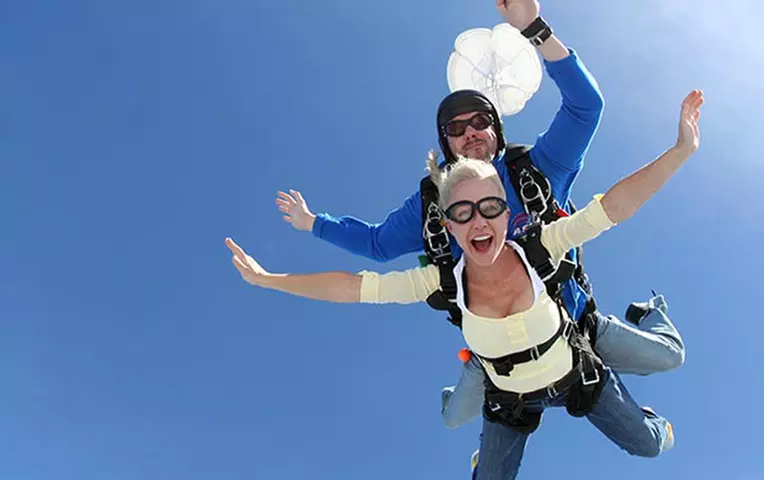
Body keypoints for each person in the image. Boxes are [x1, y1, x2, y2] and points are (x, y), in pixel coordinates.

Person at [231, 90, 704, 478]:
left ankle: (652, 313)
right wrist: (272, 275)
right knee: (452, 416)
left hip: (577, 361)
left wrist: (681, 149)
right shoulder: (440, 279)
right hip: (506, 392)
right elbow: (352, 285)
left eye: (491, 208)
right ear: (447, 229)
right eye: (461, 213)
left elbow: (616, 205)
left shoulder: (543, 246)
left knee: (654, 427)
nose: (479, 221)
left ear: (511, 210)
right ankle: (461, 406)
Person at [274, 0, 685, 434]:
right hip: (497, 350)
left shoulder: (535, 170)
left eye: (480, 121)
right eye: (455, 127)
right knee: (454, 417)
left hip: (576, 324)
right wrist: (312, 222)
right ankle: (465, 385)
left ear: (497, 129)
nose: (469, 131)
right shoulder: (435, 206)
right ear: (446, 144)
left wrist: (533, 27)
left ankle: (649, 312)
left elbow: (586, 107)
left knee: (669, 357)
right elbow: (377, 245)